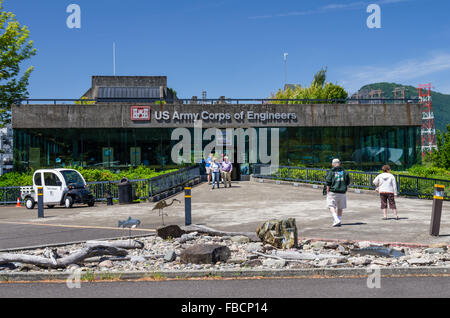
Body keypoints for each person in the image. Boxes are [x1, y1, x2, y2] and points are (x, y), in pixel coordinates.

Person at [326, 158, 350, 227]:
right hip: (342, 192)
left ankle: (336, 219)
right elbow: (348, 182)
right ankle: (338, 220)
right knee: (340, 207)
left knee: (331, 205)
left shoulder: (331, 171)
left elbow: (328, 182)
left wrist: (328, 191)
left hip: (333, 191)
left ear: (333, 164)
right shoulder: (345, 172)